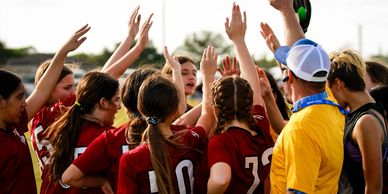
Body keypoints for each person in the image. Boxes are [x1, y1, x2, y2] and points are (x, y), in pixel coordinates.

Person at [30, 6, 153, 177]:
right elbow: (104, 78)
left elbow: (102, 76)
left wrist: (130, 38)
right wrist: (138, 47)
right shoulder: (56, 111)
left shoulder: (39, 116)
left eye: (74, 86)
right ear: (48, 86)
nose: (73, 92)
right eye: (67, 88)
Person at [0, 24, 89, 194]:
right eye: (19, 97)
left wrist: (63, 52)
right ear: (1, 101)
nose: (25, 103)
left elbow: (41, 91)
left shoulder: (14, 127)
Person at [268, 0, 345, 193]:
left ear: (290, 76)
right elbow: (298, 46)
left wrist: (286, 10)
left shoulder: (300, 128)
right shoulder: (331, 105)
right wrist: (286, 9)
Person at [117, 46, 216, 194]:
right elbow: (208, 114)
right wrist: (209, 77)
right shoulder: (189, 140)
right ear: (177, 110)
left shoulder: (131, 159)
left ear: (141, 108)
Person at [206, 4, 274, 193]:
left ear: (217, 111)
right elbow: (254, 87)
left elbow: (220, 180)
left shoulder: (222, 142)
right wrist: (239, 41)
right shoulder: (261, 125)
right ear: (249, 105)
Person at [60, 67, 158, 193]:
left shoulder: (67, 129)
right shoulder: (174, 134)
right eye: (117, 99)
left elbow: (68, 177)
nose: (119, 106)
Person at [327, 50, 387, 194]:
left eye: (328, 89)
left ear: (338, 84)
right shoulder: (361, 113)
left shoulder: (366, 122)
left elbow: (373, 188)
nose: (328, 96)